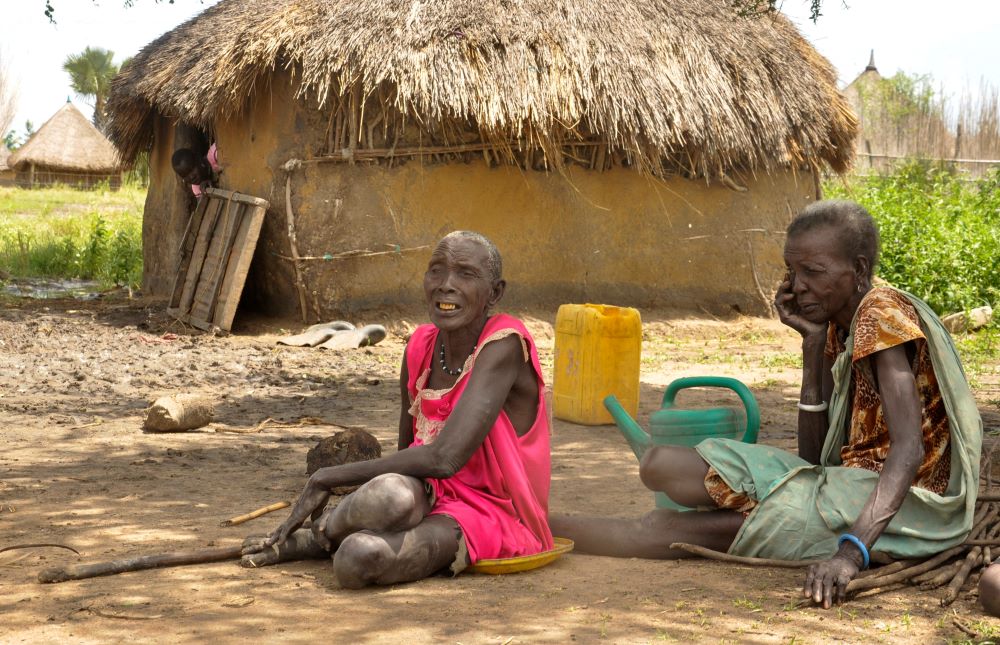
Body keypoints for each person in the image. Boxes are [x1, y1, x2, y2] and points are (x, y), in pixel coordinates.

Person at [551, 200, 982, 608]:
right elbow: (814, 460)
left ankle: (536, 527)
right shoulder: (839, 323)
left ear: (859, 269)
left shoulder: (881, 315)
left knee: (662, 530)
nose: (797, 287)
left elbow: (909, 451)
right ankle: (539, 525)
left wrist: (850, 554)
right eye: (792, 271)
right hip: (837, 485)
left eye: (813, 271)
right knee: (659, 463)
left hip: (901, 504)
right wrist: (812, 345)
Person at [243, 231, 553, 587]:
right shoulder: (420, 346)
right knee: (390, 493)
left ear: (495, 293)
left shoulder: (505, 343)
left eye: (465, 274)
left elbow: (444, 459)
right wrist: (386, 505)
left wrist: (328, 476)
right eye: (436, 270)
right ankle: (324, 531)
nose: (445, 285)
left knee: (356, 559)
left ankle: (320, 536)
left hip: (487, 513)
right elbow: (408, 455)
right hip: (425, 493)